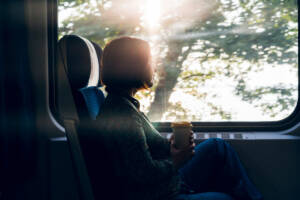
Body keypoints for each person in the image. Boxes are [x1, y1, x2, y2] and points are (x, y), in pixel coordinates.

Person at [84, 36, 263, 200]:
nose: (154, 68)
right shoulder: (122, 114)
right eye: (150, 61)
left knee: (217, 147)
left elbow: (142, 151)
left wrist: (173, 146)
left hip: (167, 183)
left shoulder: (125, 104)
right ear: (133, 65)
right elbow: (141, 174)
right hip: (158, 195)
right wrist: (177, 161)